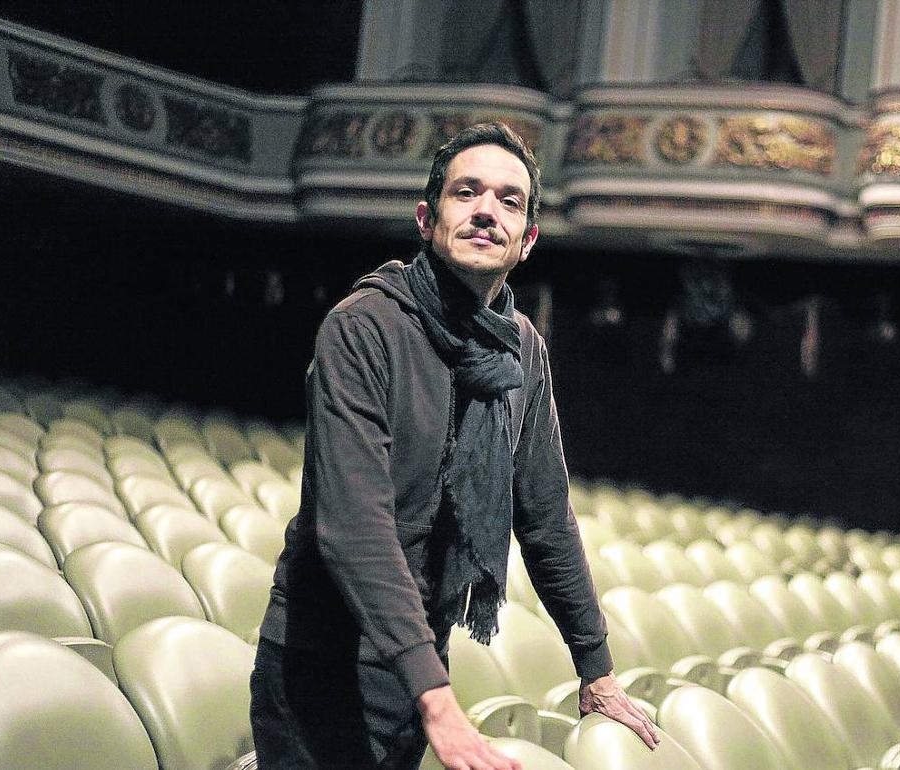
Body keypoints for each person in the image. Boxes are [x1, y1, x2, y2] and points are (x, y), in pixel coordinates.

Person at [249, 122, 659, 770]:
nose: (486, 211)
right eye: (466, 193)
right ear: (427, 219)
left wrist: (597, 669)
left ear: (526, 240)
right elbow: (355, 527)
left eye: (508, 201)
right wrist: (438, 702)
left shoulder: (521, 348)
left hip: (416, 663)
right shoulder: (362, 327)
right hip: (320, 664)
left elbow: (545, 514)